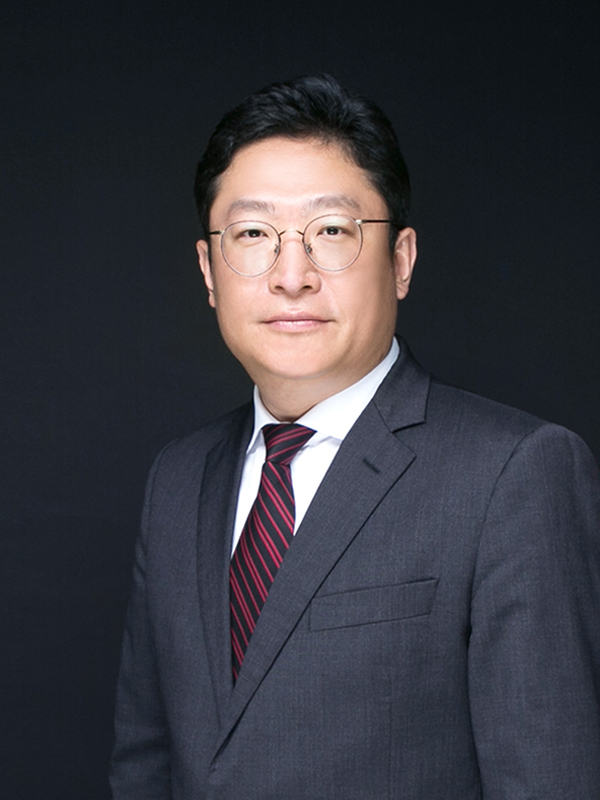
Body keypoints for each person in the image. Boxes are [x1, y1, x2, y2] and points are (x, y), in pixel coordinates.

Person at [109, 74, 600, 799]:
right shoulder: (179, 479)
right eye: (253, 235)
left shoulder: (515, 474)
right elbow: (145, 764)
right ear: (209, 270)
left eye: (332, 232)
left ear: (401, 260)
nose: (292, 276)